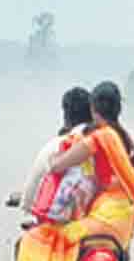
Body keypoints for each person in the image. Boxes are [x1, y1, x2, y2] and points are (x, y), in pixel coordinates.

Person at [11, 81, 134, 261]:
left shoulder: (98, 139)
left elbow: (58, 166)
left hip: (106, 214)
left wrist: (59, 160)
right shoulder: (125, 140)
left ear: (95, 110)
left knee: (51, 242)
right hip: (124, 219)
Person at [20, 87, 94, 222]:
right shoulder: (106, 142)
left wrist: (26, 203)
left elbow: (30, 194)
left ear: (66, 116)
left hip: (58, 226)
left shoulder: (53, 147)